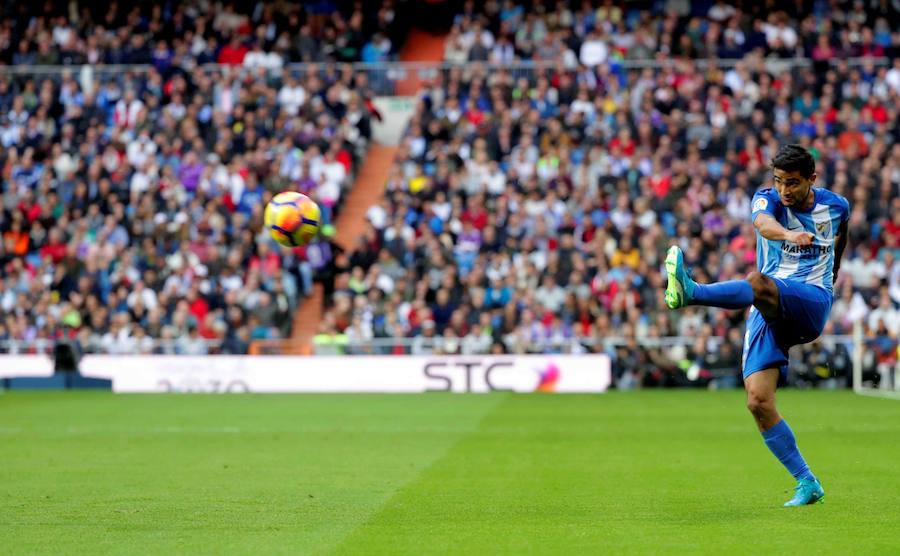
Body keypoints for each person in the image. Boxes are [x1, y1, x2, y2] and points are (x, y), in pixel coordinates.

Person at [664, 145, 849, 506]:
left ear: (812, 179)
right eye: (778, 181)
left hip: (810, 298)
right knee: (758, 401)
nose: (784, 190)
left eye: (792, 183)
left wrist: (835, 270)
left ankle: (692, 291)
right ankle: (807, 482)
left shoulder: (836, 205)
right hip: (767, 307)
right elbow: (763, 225)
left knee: (757, 281)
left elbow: (842, 233)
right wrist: (789, 235)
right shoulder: (767, 201)